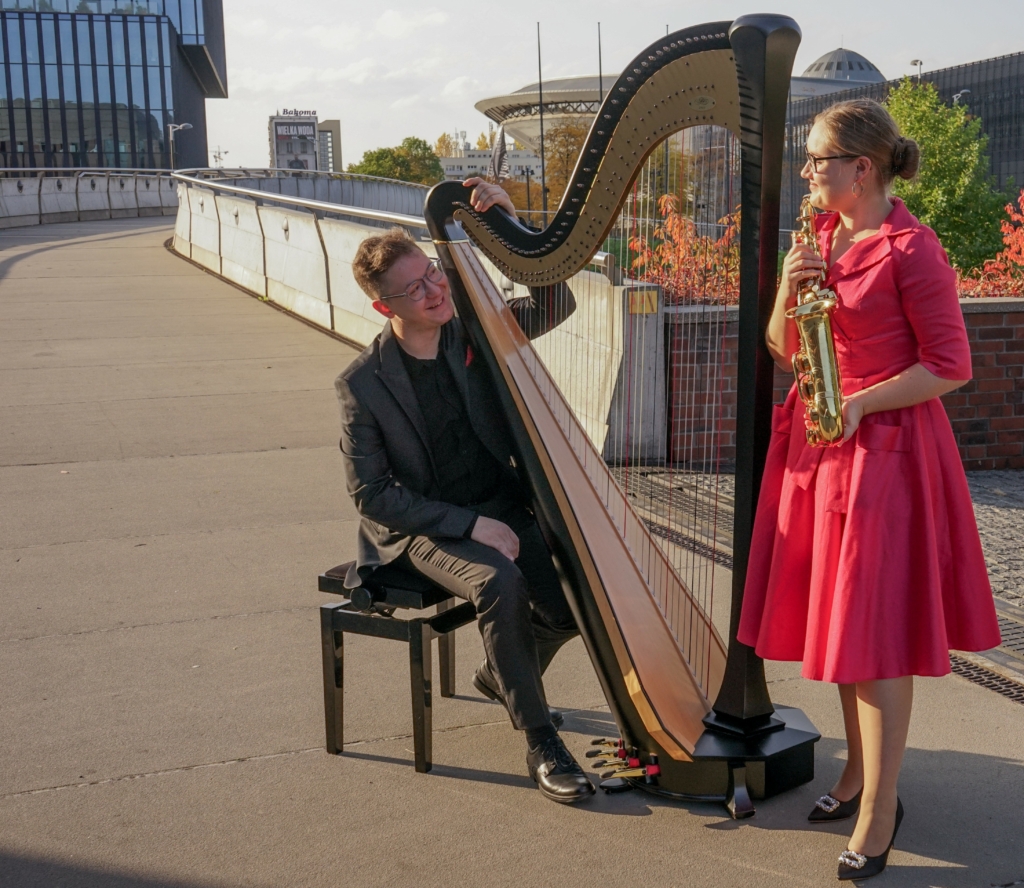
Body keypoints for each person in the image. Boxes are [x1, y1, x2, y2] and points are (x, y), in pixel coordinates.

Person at [738, 99, 1001, 880]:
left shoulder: (915, 250)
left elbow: (952, 367)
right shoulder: (822, 236)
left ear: (863, 167)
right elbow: (783, 348)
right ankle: (855, 775)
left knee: (875, 634)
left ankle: (881, 807)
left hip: (884, 453)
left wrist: (859, 401)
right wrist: (790, 285)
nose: (808, 173)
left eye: (819, 160)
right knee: (845, 626)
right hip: (822, 450)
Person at [335, 177, 595, 804]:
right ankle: (540, 740)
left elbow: (556, 306)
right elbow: (372, 495)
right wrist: (473, 527)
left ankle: (499, 673)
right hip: (425, 528)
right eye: (416, 287)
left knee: (574, 596)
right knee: (499, 582)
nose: (435, 290)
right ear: (384, 307)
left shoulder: (473, 330)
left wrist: (515, 234)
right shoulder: (362, 385)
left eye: (433, 273)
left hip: (501, 502)